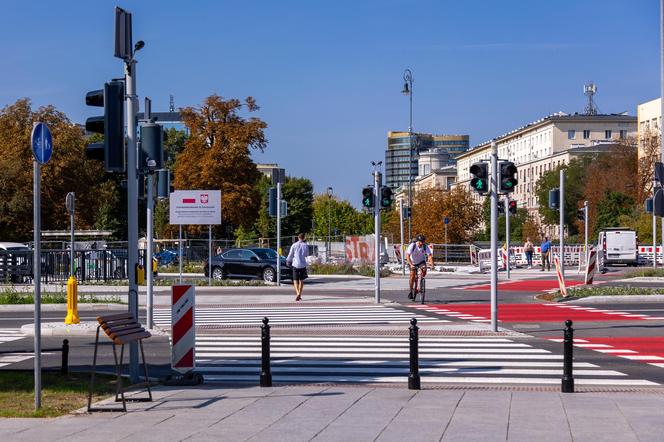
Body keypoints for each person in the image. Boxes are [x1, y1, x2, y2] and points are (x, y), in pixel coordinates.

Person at [406, 234, 434, 299]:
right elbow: (407, 256)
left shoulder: (425, 246)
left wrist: (432, 264)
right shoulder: (412, 245)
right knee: (412, 276)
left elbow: (429, 255)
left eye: (423, 242)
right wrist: (411, 264)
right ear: (417, 241)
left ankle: (421, 281)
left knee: (424, 270)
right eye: (420, 242)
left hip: (421, 262)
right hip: (412, 262)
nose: (422, 243)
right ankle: (411, 290)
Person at [286, 233, 308, 301]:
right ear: (303, 238)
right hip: (303, 264)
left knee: (295, 280)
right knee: (301, 280)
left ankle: (297, 293)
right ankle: (300, 294)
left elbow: (290, 254)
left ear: (298, 237)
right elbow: (306, 254)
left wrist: (288, 261)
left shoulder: (294, 245)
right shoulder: (305, 245)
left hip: (295, 264)